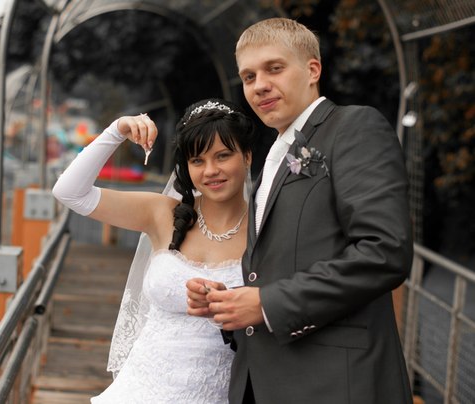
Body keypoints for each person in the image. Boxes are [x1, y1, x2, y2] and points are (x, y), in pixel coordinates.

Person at [187, 18, 414, 403]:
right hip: (263, 381)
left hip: (335, 385)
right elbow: (282, 265)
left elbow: (384, 251)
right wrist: (231, 303)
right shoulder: (273, 156)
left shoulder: (354, 128)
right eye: (248, 76)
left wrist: (267, 303)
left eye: (274, 68)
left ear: (313, 70)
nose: (259, 85)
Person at [52, 98, 255, 403]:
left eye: (223, 156)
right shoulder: (163, 213)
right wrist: (117, 130)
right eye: (197, 161)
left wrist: (227, 304)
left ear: (247, 156)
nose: (211, 171)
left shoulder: (265, 228)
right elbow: (69, 192)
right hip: (137, 391)